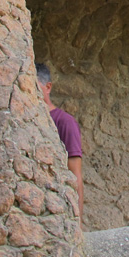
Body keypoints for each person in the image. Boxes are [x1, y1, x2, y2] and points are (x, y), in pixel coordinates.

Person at [36, 63, 84, 219]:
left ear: (48, 87)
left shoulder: (64, 122)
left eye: (35, 86)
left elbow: (75, 173)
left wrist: (77, 220)